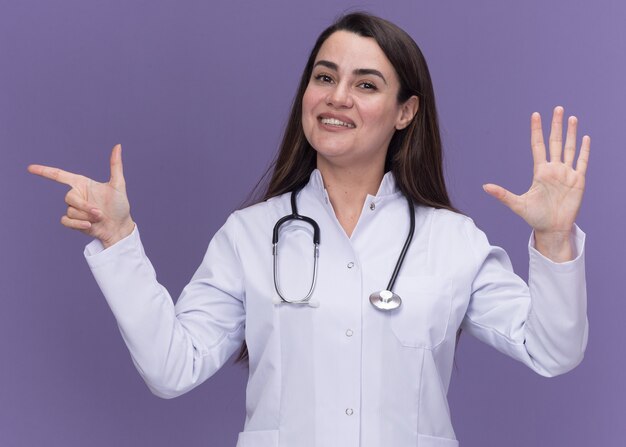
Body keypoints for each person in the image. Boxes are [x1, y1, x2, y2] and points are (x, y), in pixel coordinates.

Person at [28, 12, 589, 447]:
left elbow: (552, 350)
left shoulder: (451, 240)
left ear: (405, 112)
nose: (337, 97)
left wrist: (555, 239)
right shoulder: (250, 235)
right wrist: (120, 239)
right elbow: (173, 368)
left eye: (366, 84)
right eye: (325, 77)